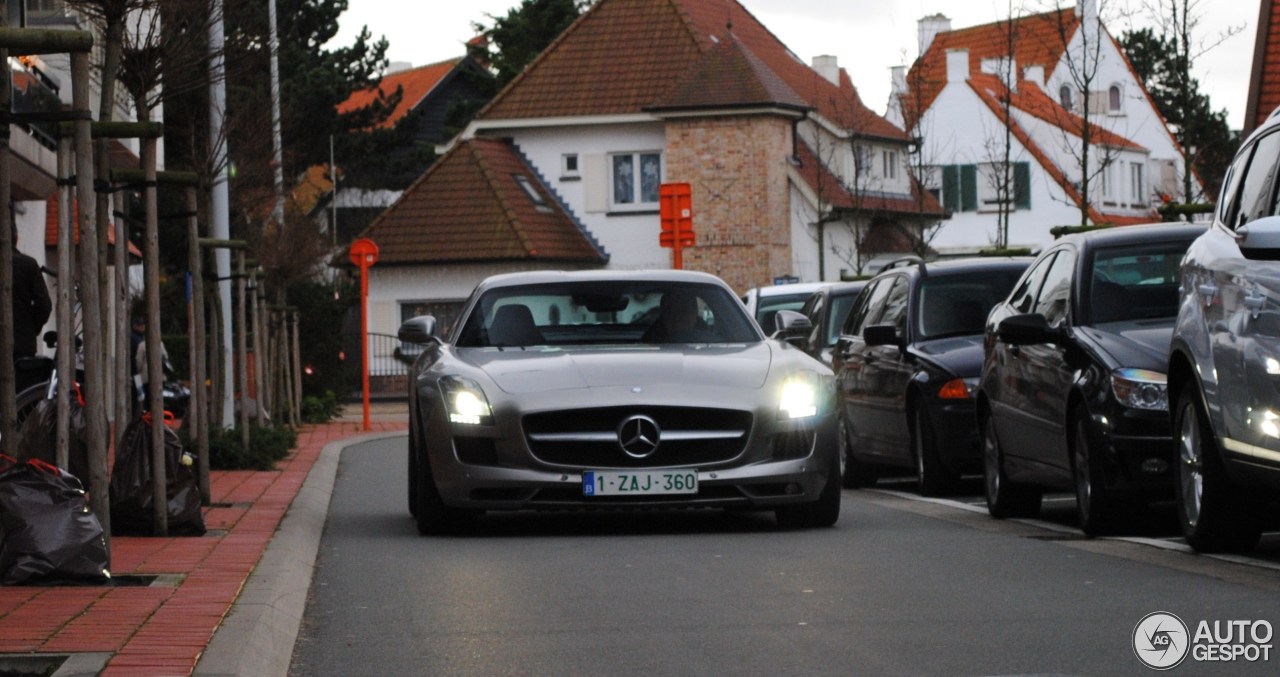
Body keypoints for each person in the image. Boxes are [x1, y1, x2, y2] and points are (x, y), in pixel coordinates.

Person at [11, 229, 52, 359]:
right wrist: (29, 328)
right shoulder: (28, 265)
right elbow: (44, 305)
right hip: (22, 346)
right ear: (17, 239)